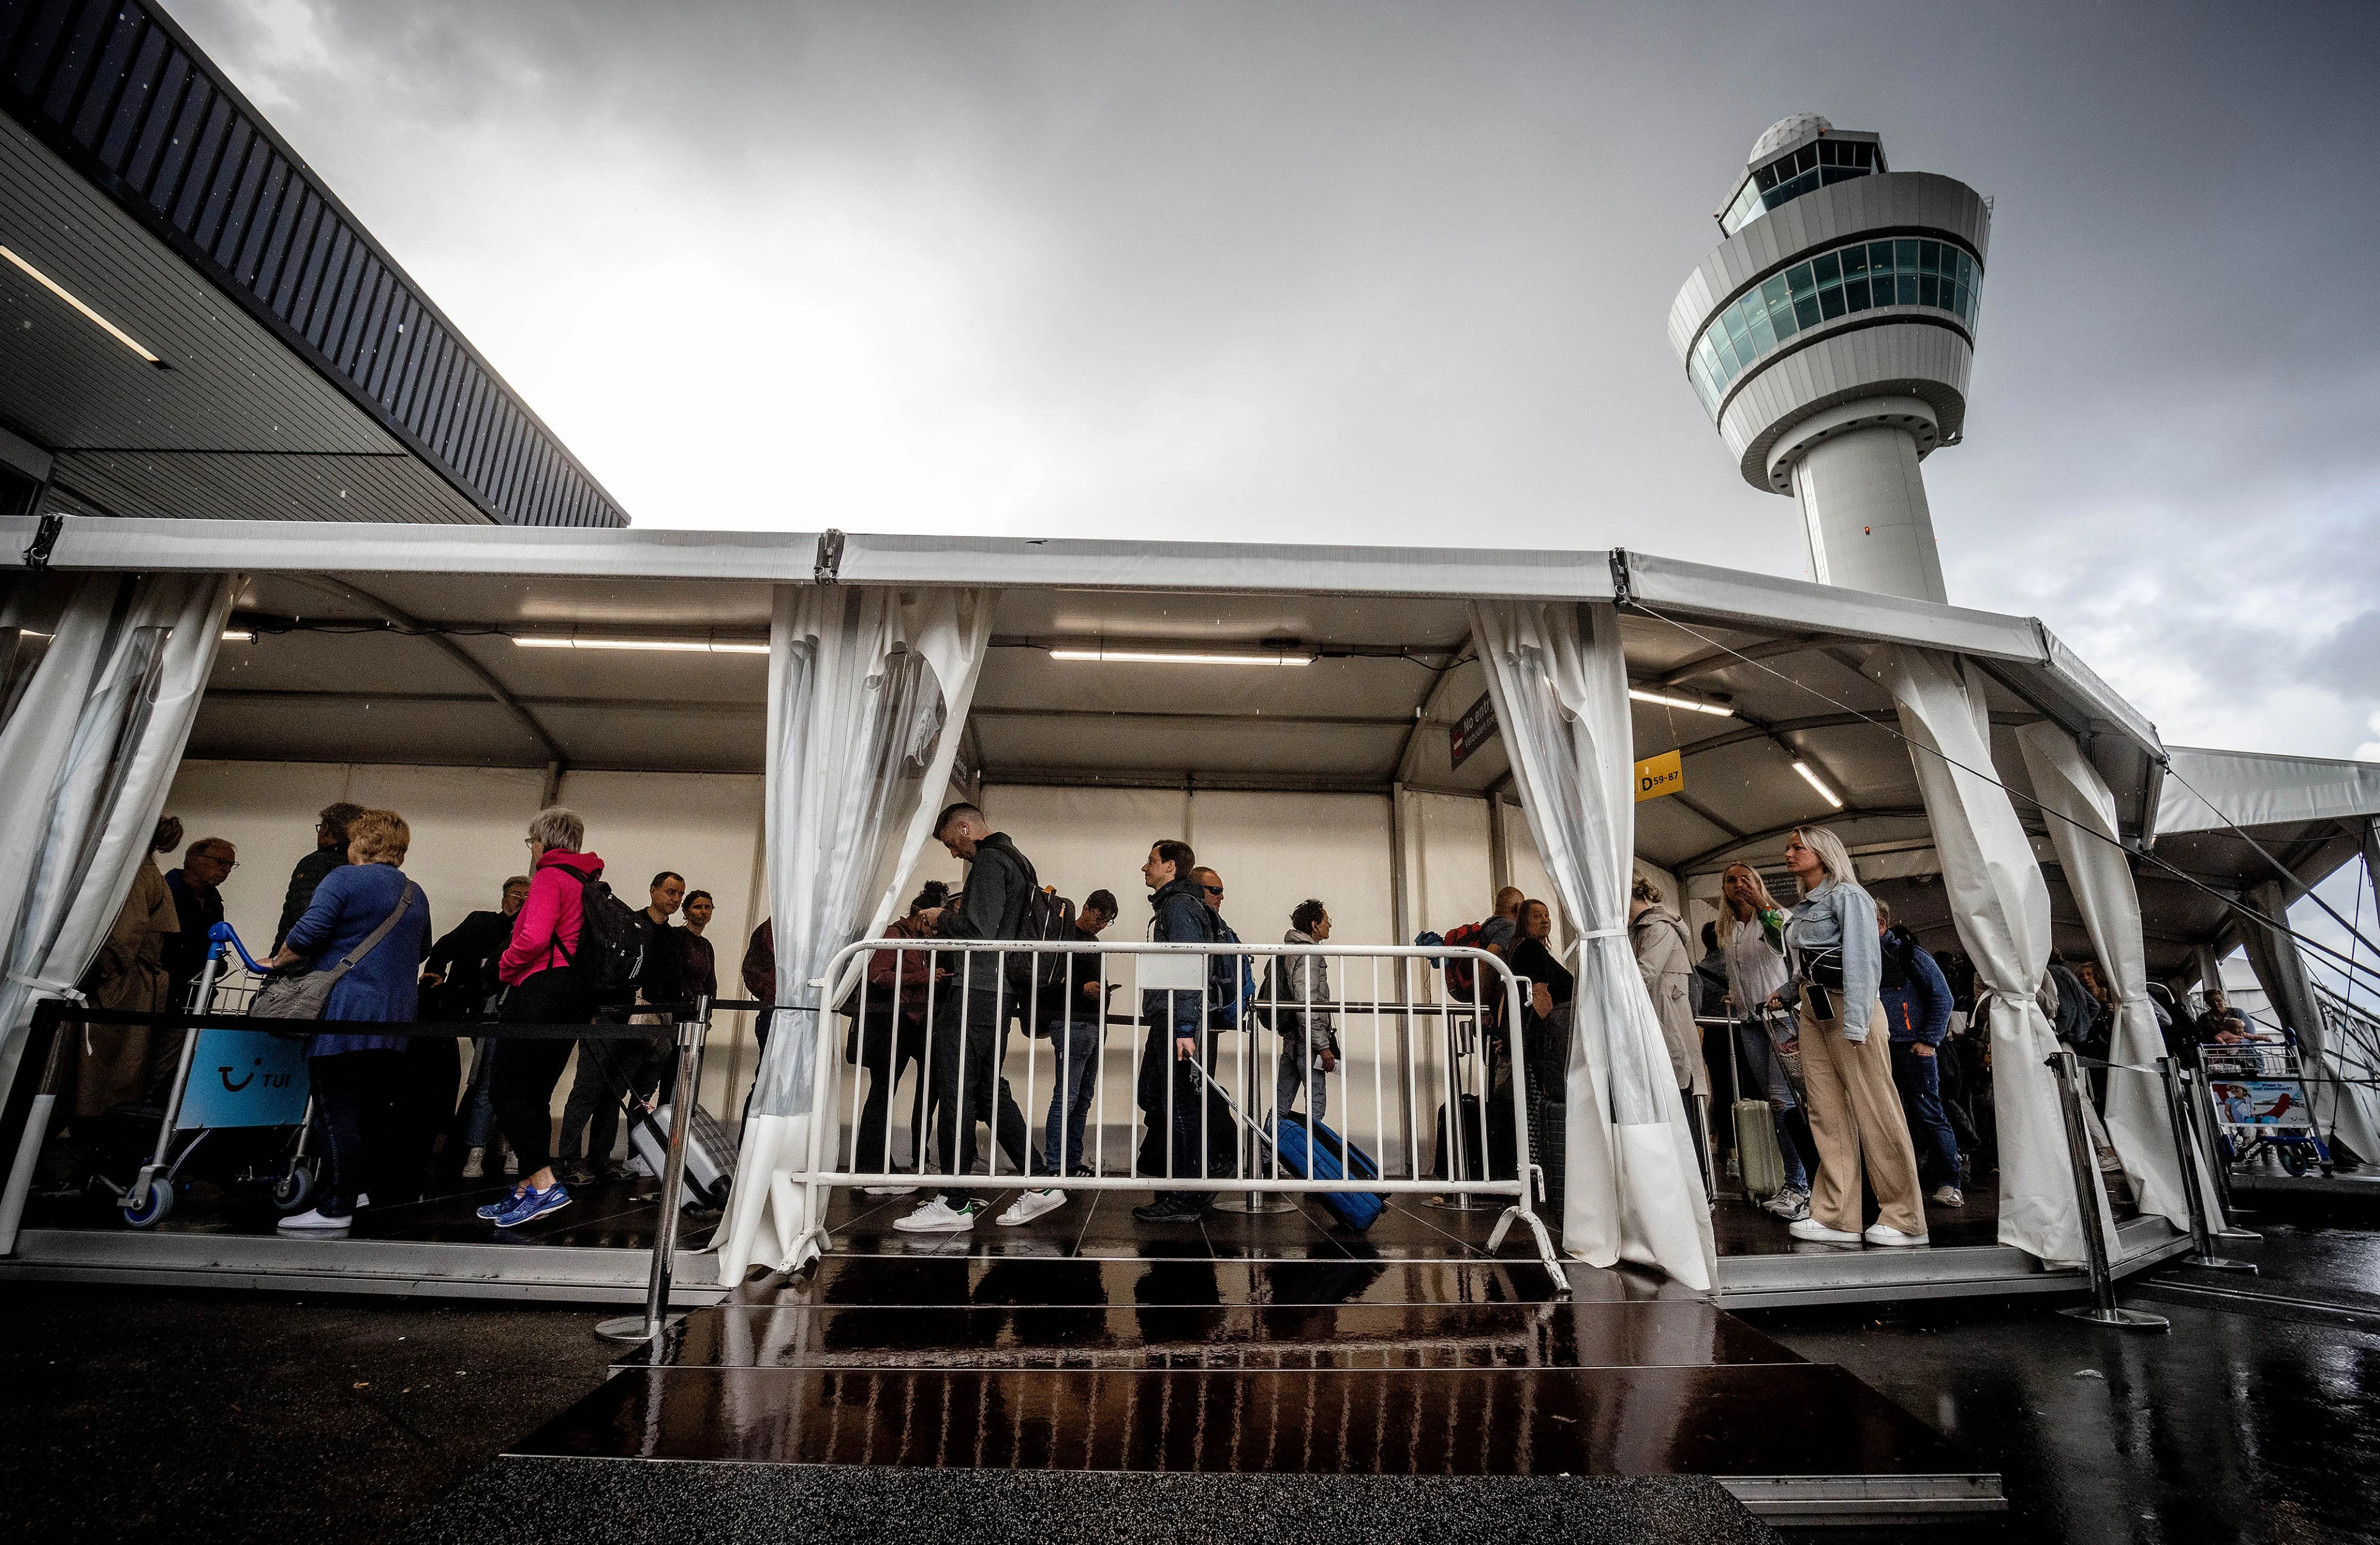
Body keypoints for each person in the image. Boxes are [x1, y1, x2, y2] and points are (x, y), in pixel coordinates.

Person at [266, 809, 433, 1230]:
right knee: (371, 1111)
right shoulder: (416, 892)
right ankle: (356, 1192)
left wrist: (277, 960)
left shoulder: (343, 878)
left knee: (334, 1109)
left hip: (345, 1011)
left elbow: (306, 934)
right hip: (395, 1019)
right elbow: (423, 948)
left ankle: (335, 1207)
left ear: (359, 842)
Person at [1772, 829, 1927, 1248]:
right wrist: (1788, 993)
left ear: (1822, 854)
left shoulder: (1849, 897)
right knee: (1826, 1111)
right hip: (1814, 1008)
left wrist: (1857, 1024)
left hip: (1848, 1006)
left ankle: (1906, 1216)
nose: (1788, 853)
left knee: (1876, 1110)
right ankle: (1837, 1215)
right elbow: (1808, 963)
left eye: (1797, 847)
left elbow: (1863, 961)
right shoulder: (1807, 905)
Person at [895, 804, 1039, 1233]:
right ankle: (1044, 1180)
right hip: (999, 993)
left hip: (977, 989)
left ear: (965, 826)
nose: (954, 854)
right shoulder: (1019, 859)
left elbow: (979, 931)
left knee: (956, 1086)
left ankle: (955, 1200)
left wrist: (944, 917)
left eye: (951, 843)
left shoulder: (993, 859)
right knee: (988, 1092)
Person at [480, 807, 606, 1230]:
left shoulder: (551, 876)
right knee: (534, 1093)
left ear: (545, 841)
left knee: (505, 1088)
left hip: (541, 990)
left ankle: (545, 1183)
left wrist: (503, 968)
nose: (531, 849)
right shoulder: (587, 882)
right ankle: (526, 1189)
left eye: (532, 841)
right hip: (574, 995)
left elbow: (533, 937)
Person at [1002, 887, 1120, 1226]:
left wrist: (1101, 995)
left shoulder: (1094, 945)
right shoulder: (1061, 935)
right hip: (1069, 1023)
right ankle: (1056, 1164)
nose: (1101, 925)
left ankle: (1071, 1160)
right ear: (1088, 907)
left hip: (1092, 1023)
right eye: (1100, 917)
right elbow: (1043, 982)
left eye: (1107, 921)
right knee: (1066, 1096)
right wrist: (1080, 990)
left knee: (1082, 1098)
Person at [556, 871, 682, 1184]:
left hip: (647, 1023)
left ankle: (599, 1159)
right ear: (653, 891)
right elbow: (597, 965)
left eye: (680, 894)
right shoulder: (627, 924)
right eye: (670, 892)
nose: (675, 899)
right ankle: (569, 1161)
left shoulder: (674, 939)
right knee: (587, 1088)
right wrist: (591, 1009)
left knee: (615, 1092)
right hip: (610, 1015)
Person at [1134, 839, 1225, 1224]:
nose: (1145, 867)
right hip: (1172, 1020)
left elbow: (1190, 968)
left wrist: (1185, 1028)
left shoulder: (1179, 908)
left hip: (1177, 1021)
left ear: (1170, 867)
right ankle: (1183, 1184)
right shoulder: (1178, 906)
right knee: (1160, 1097)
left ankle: (1189, 1191)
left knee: (1181, 1103)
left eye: (1151, 861)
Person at [1717, 862, 1814, 1221]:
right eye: (1731, 880)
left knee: (1782, 1100)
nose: (1739, 884)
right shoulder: (1729, 930)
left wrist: (1762, 905)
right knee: (1774, 1104)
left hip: (1782, 1019)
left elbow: (1780, 949)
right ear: (1724, 889)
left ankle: (1800, 1186)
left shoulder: (1778, 917)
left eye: (1746, 878)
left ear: (1758, 883)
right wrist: (1734, 994)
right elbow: (1737, 971)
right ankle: (1793, 1183)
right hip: (1750, 1022)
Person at [76, 816, 183, 1120]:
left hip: (122, 984)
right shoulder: (148, 871)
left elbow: (123, 936)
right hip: (134, 982)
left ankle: (86, 1145)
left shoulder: (135, 873)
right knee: (119, 1072)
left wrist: (92, 980)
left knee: (100, 1075)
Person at [431, 876, 531, 1179]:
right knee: (487, 1081)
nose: (522, 901)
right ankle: (471, 1148)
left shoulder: (529, 932)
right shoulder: (482, 922)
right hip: (479, 1009)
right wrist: (434, 973)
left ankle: (485, 1146)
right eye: (516, 895)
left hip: (510, 1012)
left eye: (528, 898)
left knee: (496, 1080)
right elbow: (444, 946)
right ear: (504, 898)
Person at [852, 883, 946, 1196]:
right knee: (881, 1094)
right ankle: (872, 1170)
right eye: (933, 928)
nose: (935, 935)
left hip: (907, 1024)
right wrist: (923, 977)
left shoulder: (914, 939)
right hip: (891, 1025)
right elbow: (878, 975)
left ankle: (879, 1167)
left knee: (884, 1094)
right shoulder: (894, 935)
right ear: (921, 918)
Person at [1876, 900, 1963, 1208]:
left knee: (1929, 1114)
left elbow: (1944, 997)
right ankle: (1906, 1184)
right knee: (1892, 1118)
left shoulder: (1911, 955)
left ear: (1882, 923)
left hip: (1912, 1047)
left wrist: (1928, 1041)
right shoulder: (1865, 957)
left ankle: (1950, 1183)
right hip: (1882, 1048)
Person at [1629, 875, 1709, 1106]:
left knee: (1678, 1083)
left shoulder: (1658, 928)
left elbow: (1645, 975)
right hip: (1659, 1021)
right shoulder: (1641, 929)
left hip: (1665, 1021)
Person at [1272, 899, 1339, 1125]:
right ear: (1314, 925)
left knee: (1281, 1103)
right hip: (1307, 1042)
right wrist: (1323, 1046)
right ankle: (1310, 1157)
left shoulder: (1293, 950)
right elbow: (1306, 1002)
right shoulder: (1308, 955)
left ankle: (1264, 1156)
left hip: (1294, 1039)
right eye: (1326, 920)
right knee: (1316, 1105)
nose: (1330, 924)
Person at [274, 801, 364, 953]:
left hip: (297, 958)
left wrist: (279, 959)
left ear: (326, 829)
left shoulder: (314, 862)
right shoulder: (360, 867)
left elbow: (303, 914)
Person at [161, 836, 236, 1010]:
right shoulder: (164, 893)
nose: (227, 870)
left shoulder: (214, 902)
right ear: (194, 859)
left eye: (231, 865)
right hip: (161, 990)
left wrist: (219, 966)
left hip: (196, 996)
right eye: (221, 862)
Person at [1506, 899, 1574, 1088]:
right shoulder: (1531, 948)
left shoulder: (1525, 949)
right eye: (1537, 916)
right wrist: (1554, 1033)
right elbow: (1538, 992)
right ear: (1523, 923)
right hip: (1544, 1040)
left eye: (1547, 915)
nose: (1545, 920)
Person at [743, 917, 776, 1047]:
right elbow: (750, 968)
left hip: (773, 1003)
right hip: (772, 1005)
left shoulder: (766, 930)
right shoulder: (766, 931)